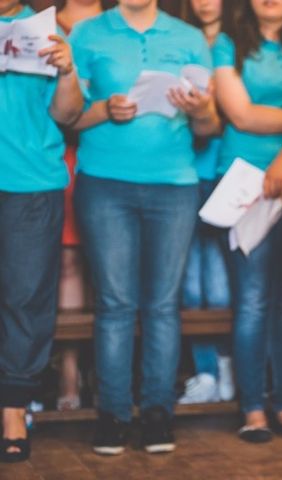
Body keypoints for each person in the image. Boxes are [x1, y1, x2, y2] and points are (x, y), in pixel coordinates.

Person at [69, 0, 220, 455]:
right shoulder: (87, 33)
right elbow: (64, 117)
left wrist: (198, 109)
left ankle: (157, 413)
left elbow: (210, 125)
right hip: (104, 184)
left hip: (173, 185)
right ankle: (112, 415)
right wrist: (104, 109)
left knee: (161, 304)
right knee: (115, 303)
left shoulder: (188, 38)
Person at [213, 0, 282, 443]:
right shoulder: (228, 44)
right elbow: (242, 115)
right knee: (253, 298)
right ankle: (253, 409)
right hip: (244, 187)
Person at [0, 0, 83, 463]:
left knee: (26, 297)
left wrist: (68, 70)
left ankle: (14, 408)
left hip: (32, 183)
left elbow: (69, 116)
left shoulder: (50, 31)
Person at [178, 0, 235, 407]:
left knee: (218, 278)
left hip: (226, 172)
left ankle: (227, 368)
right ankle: (205, 373)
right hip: (183, 169)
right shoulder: (178, 41)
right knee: (188, 280)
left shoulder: (239, 43)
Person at [55, 0, 104, 414]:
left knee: (106, 268)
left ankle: (105, 376)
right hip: (61, 155)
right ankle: (69, 375)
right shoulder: (45, 23)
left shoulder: (123, 20)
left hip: (113, 156)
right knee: (69, 264)